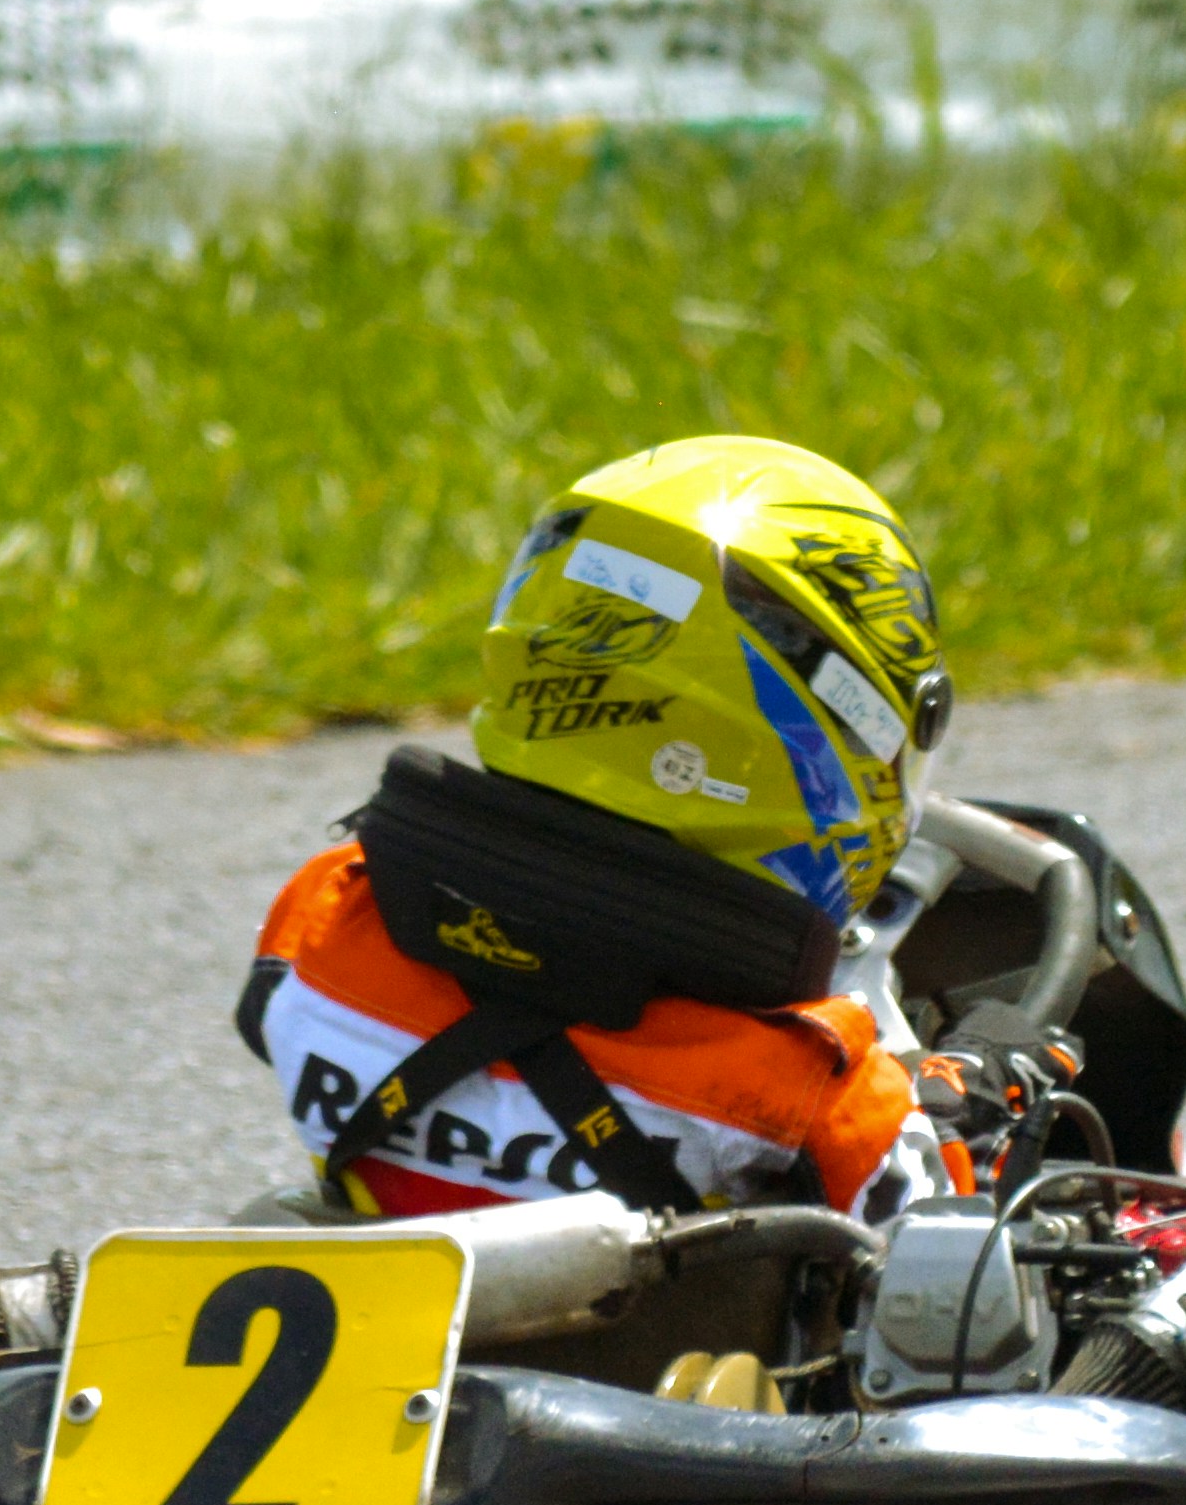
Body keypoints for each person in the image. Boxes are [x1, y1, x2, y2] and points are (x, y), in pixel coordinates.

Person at [237, 435, 1043, 1224]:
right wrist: (959, 1092)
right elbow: (946, 1252)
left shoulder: (320, 921)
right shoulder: (809, 1095)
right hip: (663, 1357)